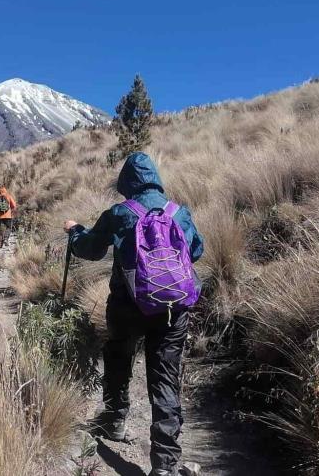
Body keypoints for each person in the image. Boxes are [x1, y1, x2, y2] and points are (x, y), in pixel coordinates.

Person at [63, 152, 203, 476]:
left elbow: (90, 248)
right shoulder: (179, 213)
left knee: (117, 355)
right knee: (165, 377)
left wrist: (75, 232)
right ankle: (165, 465)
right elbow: (196, 251)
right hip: (173, 309)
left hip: (128, 306)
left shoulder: (119, 213)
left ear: (127, 182)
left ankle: (114, 418)